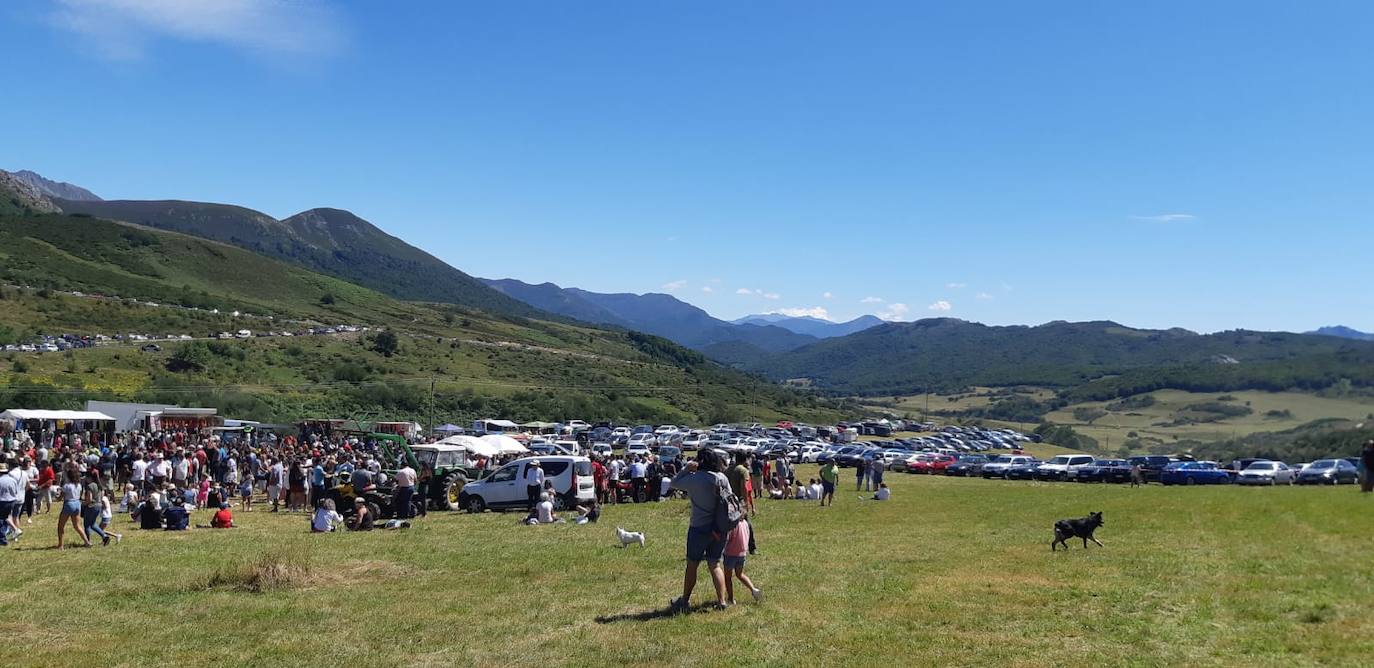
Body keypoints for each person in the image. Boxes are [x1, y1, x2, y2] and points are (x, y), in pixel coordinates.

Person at [668, 450, 730, 613]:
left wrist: (687, 468)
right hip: (720, 527)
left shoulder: (695, 479)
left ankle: (685, 600)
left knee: (692, 564)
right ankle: (722, 601)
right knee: (715, 563)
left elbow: (674, 483)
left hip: (699, 527)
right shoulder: (722, 478)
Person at [722, 516, 763, 606]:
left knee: (727, 577)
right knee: (740, 574)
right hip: (742, 554)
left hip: (730, 554)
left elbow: (727, 538)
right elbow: (748, 536)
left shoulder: (732, 525)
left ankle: (731, 598)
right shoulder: (745, 523)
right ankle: (753, 589)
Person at [56, 468, 90, 549]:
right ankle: (87, 542)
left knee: (60, 526)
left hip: (69, 504)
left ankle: (61, 545)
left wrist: (57, 493)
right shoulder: (79, 485)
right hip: (77, 504)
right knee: (77, 526)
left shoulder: (66, 486)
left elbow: (59, 498)